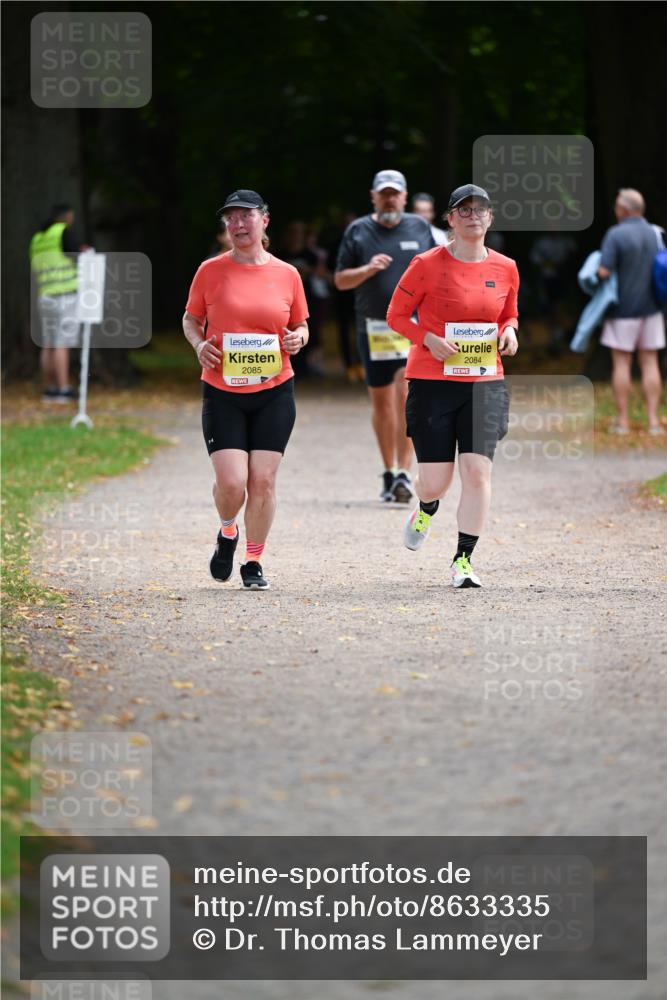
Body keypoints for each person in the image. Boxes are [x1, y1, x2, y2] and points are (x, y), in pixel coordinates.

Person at [386, 184, 519, 589]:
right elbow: (396, 316)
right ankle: (426, 508)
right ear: (450, 219)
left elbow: (509, 314)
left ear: (490, 218)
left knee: (477, 473)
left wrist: (510, 331)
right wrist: (427, 339)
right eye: (464, 210)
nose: (472, 216)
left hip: (485, 383)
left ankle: (463, 560)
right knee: (435, 482)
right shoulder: (426, 264)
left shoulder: (506, 267)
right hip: (432, 382)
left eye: (480, 210)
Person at [182, 190, 309, 590]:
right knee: (233, 483)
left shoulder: (287, 274)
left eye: (246, 216)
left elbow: (301, 324)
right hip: (223, 391)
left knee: (263, 481)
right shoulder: (210, 271)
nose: (238, 224)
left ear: (264, 221)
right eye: (231, 218)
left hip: (274, 390)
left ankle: (253, 560)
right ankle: (227, 531)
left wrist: (299, 339)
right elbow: (190, 319)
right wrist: (199, 345)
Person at [335, 169, 435, 503]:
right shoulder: (358, 230)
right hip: (374, 327)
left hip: (411, 325)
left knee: (406, 395)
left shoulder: (419, 227)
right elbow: (340, 281)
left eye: (395, 194)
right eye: (384, 194)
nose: (390, 199)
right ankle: (389, 470)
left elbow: (438, 270)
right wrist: (367, 270)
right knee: (382, 403)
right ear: (374, 197)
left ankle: (404, 472)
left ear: (405, 197)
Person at [597, 188, 665, 435]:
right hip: (652, 309)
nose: (616, 210)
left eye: (617, 206)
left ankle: (623, 421)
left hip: (622, 310)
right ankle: (653, 422)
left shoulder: (615, 234)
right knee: (650, 362)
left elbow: (604, 271)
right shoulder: (656, 233)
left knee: (622, 363)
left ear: (625, 209)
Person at [29, 203, 84, 403]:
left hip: (45, 295)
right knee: (62, 343)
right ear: (67, 216)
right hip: (65, 294)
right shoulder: (62, 232)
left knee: (48, 343)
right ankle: (63, 389)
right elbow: (76, 257)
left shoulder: (38, 238)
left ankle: (50, 389)